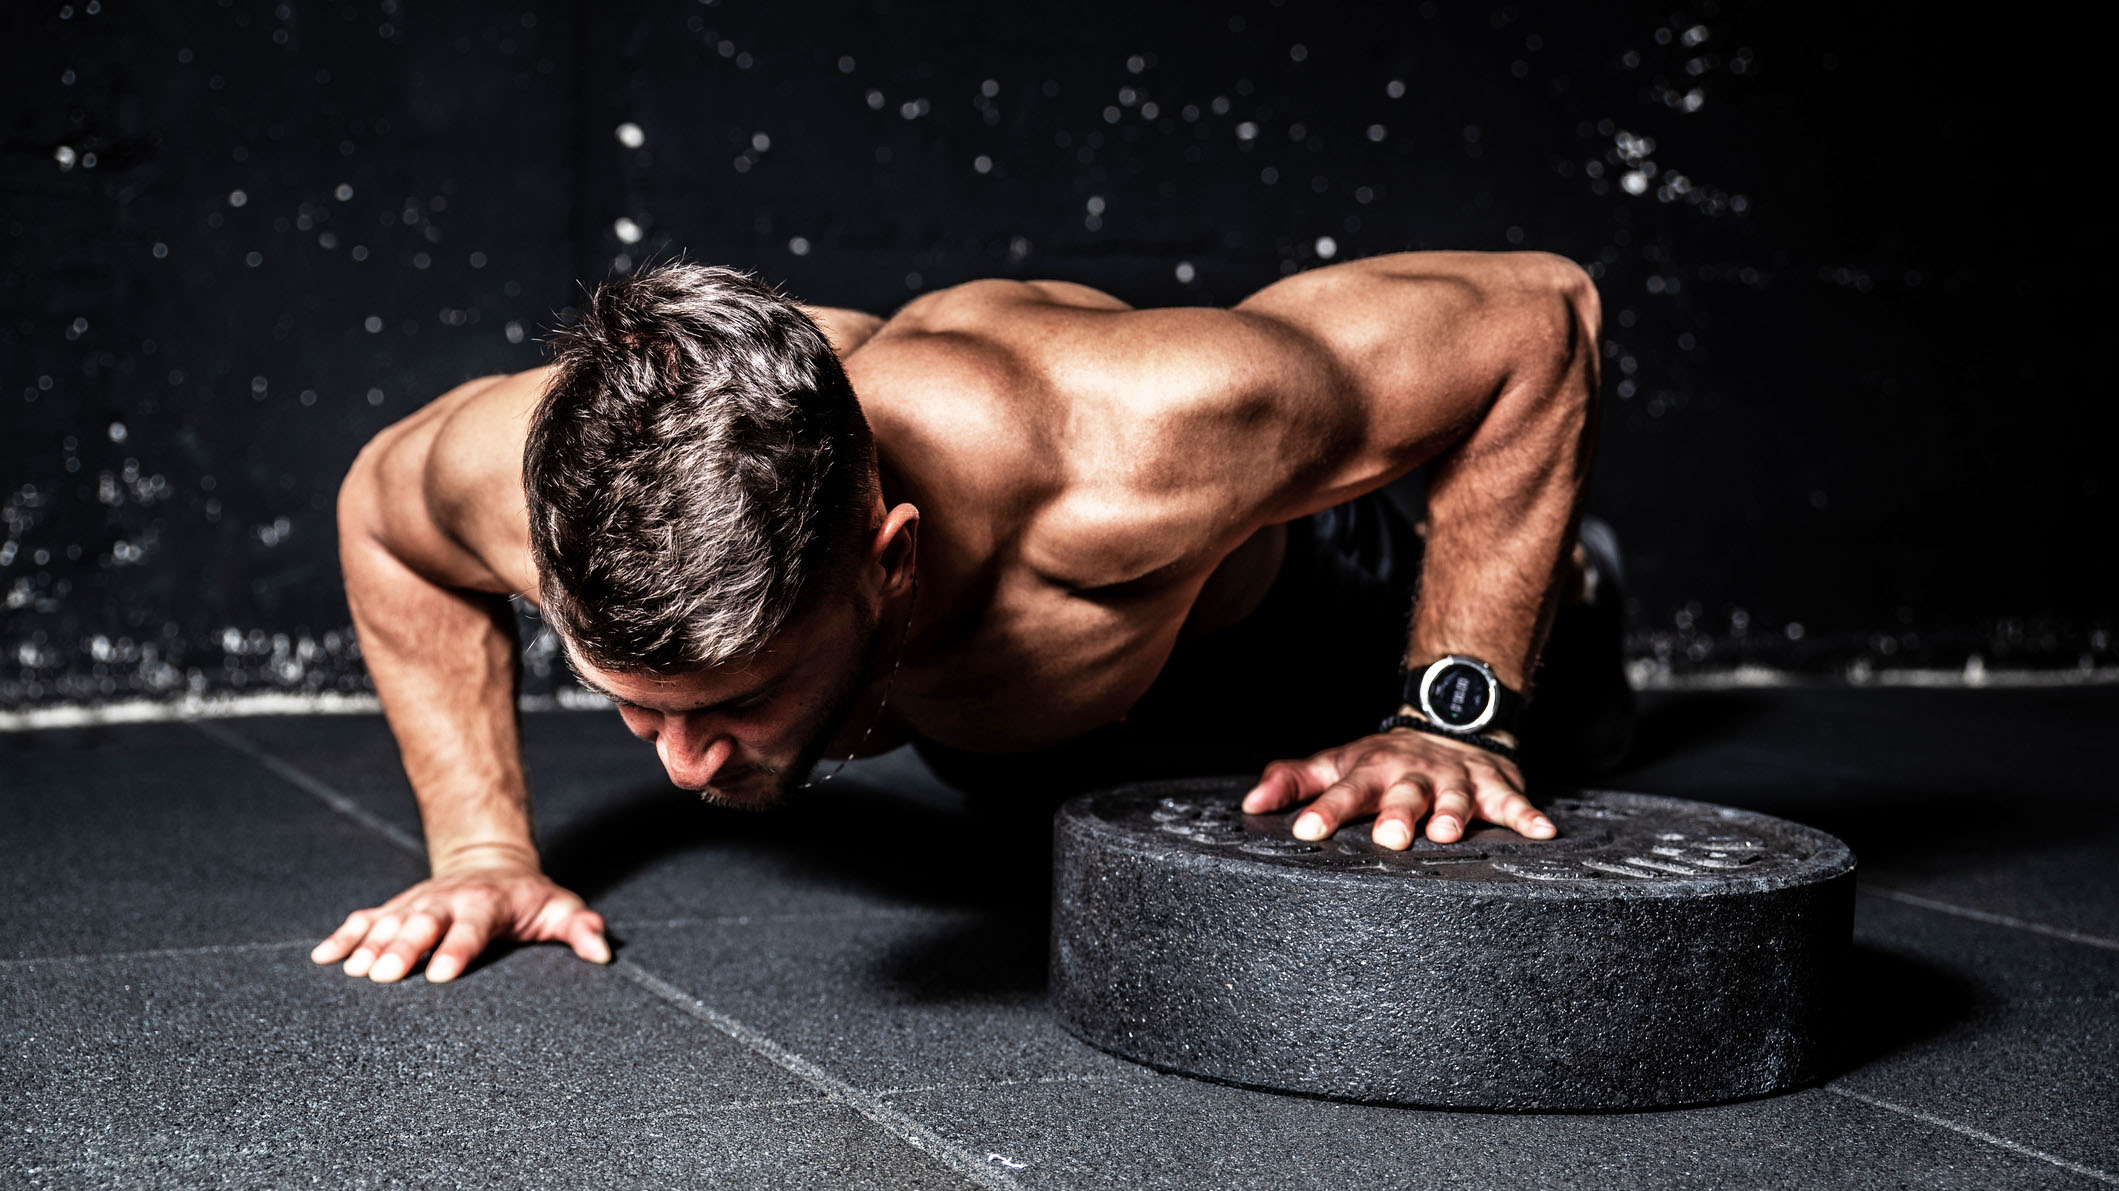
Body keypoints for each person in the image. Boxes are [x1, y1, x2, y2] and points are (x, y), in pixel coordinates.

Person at [315, 252, 1631, 986]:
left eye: (733, 704)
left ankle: (1574, 601)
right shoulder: (523, 474)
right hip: (1020, 734)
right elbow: (381, 511)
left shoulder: (1144, 440)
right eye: (634, 704)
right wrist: (483, 848)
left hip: (1278, 644)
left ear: (890, 561)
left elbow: (1541, 313)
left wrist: (1449, 710)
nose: (680, 766)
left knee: (1552, 724)